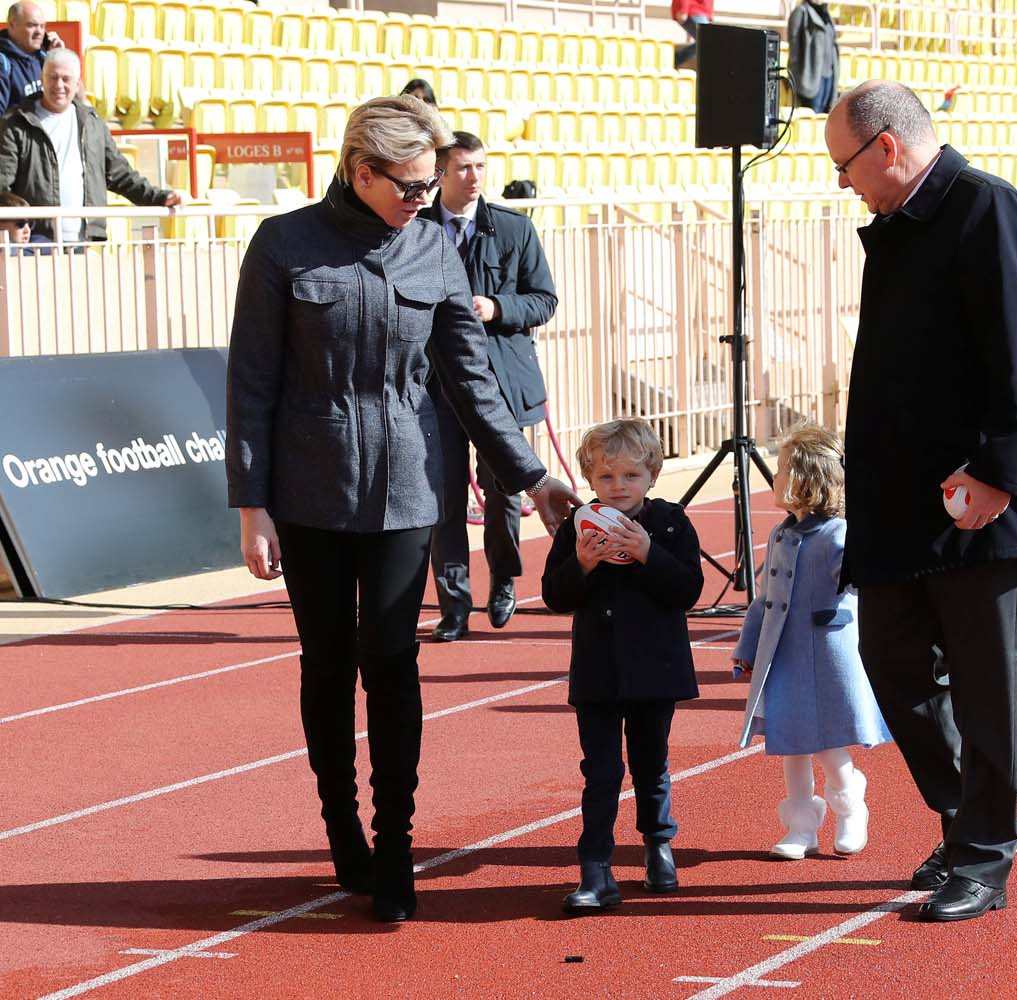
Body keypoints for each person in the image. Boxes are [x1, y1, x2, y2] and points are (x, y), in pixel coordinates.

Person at [226, 95, 581, 924]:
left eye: (431, 184)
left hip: (408, 490)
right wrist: (252, 504)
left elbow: (469, 379)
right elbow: (252, 382)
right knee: (327, 662)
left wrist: (532, 477)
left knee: (391, 660)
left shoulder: (434, 250)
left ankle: (394, 846)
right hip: (308, 494)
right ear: (361, 170)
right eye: (412, 185)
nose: (427, 199)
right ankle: (342, 829)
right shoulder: (284, 243)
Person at [825, 80, 1017, 922]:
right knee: (890, 663)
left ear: (886, 147)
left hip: (982, 503)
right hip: (900, 504)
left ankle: (983, 857)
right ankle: (968, 816)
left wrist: (998, 473)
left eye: (846, 165)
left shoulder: (987, 210)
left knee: (987, 684)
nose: (845, 183)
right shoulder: (901, 226)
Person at [541, 418, 704, 914]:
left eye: (630, 476)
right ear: (590, 479)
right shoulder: (577, 525)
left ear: (651, 475)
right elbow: (554, 595)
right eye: (607, 477)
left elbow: (688, 591)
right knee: (602, 770)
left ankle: (658, 847)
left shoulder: (671, 522)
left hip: (655, 668)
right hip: (598, 672)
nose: (619, 487)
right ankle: (596, 869)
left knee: (651, 765)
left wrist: (648, 553)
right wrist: (583, 565)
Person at [730, 423, 890, 860]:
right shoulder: (780, 535)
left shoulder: (839, 536)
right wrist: (747, 649)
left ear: (806, 479)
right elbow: (765, 601)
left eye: (783, 469)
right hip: (783, 653)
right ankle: (801, 827)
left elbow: (865, 584)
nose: (776, 477)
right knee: (789, 740)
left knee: (825, 738)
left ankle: (850, 801)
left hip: (828, 650)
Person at [423, 131, 558, 642]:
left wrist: (497, 308)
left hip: (500, 380)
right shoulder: (416, 227)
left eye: (480, 166)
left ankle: (503, 580)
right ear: (439, 172)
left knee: (504, 490)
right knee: (444, 496)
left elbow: (543, 300)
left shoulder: (513, 227)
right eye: (462, 168)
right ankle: (453, 604)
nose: (474, 177)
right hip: (433, 386)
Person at [0, 49, 181, 244]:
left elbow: (121, 176)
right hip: (36, 241)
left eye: (66, 79)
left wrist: (161, 198)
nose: (59, 85)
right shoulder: (15, 123)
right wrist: (15, 225)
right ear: (41, 79)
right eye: (52, 77)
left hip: (85, 241)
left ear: (77, 83)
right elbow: (2, 184)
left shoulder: (92, 123)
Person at [0, 2, 60, 113]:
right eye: (32, 25)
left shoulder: (45, 57)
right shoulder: (3, 63)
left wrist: (60, 59)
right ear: (12, 25)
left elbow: (76, 98)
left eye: (42, 26)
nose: (39, 32)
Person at [788, 0, 838, 114]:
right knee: (811, 116)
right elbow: (794, 50)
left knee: (823, 117)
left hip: (828, 76)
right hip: (811, 78)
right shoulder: (801, 12)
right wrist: (797, 78)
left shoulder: (826, 14)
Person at [671, 0, 712, 69]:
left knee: (706, 42)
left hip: (701, 13)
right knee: (709, 41)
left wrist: (709, 17)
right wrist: (683, 9)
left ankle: (675, 59)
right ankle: (675, 59)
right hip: (694, 11)